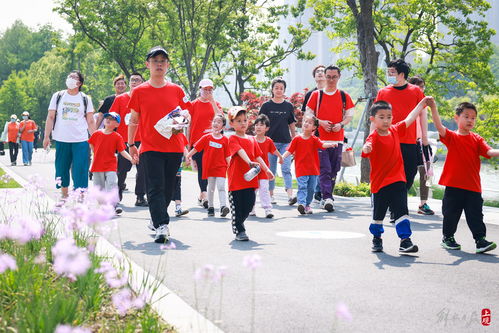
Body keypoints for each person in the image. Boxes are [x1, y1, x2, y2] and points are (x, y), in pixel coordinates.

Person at [127, 46, 191, 244]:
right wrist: (131, 144)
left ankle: (156, 219)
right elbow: (134, 120)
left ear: (168, 65)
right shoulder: (139, 92)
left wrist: (183, 128)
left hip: (174, 147)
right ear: (148, 65)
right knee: (155, 187)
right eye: (155, 61)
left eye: (163, 61)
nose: (159, 64)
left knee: (169, 190)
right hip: (150, 147)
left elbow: (186, 115)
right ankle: (162, 225)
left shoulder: (176, 90)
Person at [361, 97, 431, 253]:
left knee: (401, 209)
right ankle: (377, 238)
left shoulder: (395, 130)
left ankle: (405, 240)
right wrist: (366, 148)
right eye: (381, 117)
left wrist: (422, 103)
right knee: (378, 215)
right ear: (373, 119)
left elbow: (410, 118)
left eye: (389, 117)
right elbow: (367, 146)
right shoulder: (373, 136)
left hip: (398, 179)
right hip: (380, 184)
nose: (386, 121)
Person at [430, 101, 498, 253]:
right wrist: (433, 107)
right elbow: (439, 126)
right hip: (453, 185)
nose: (470, 120)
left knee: (476, 215)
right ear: (456, 118)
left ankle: (480, 241)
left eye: (473, 118)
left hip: (473, 186)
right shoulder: (452, 137)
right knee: (451, 214)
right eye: (466, 116)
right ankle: (448, 238)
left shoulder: (477, 139)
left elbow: (489, 152)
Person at [375, 59, 426, 220]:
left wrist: (424, 136)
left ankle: (394, 204)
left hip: (409, 141)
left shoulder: (416, 91)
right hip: (388, 140)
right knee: (391, 176)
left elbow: (422, 113)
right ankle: (396, 210)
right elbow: (375, 115)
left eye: (392, 72)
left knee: (409, 174)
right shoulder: (383, 92)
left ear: (401, 74)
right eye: (388, 72)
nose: (389, 75)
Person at [305, 65, 355, 212]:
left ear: (339, 77)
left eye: (334, 77)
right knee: (324, 168)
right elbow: (308, 114)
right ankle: (328, 198)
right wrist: (320, 122)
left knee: (334, 170)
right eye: (328, 77)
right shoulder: (317, 95)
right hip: (320, 139)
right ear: (325, 77)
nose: (331, 80)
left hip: (338, 139)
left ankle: (325, 195)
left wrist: (340, 124)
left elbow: (350, 115)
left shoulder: (344, 95)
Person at [43, 70, 96, 201]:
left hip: (81, 139)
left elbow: (90, 121)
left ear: (79, 83)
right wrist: (46, 136)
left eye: (74, 77)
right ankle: (64, 194)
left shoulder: (85, 98)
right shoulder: (58, 96)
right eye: (69, 76)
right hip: (62, 138)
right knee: (61, 168)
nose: (70, 78)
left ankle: (80, 196)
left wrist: (95, 140)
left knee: (81, 169)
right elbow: (50, 117)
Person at [227, 106, 274, 241]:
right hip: (236, 181)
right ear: (232, 123)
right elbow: (240, 151)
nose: (243, 123)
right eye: (238, 120)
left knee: (249, 205)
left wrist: (267, 170)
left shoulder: (252, 139)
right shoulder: (232, 138)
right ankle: (239, 230)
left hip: (250, 181)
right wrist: (249, 162)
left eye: (245, 120)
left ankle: (239, 222)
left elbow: (258, 156)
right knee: (237, 207)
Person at [282, 115, 337, 215]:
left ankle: (307, 205)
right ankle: (301, 204)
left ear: (314, 127)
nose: (306, 124)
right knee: (302, 186)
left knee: (311, 189)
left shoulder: (314, 139)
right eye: (305, 121)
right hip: (301, 169)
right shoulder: (297, 139)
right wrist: (282, 157)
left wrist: (331, 144)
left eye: (310, 123)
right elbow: (290, 150)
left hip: (313, 169)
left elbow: (322, 145)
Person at [109, 72, 148, 207]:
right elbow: (112, 118)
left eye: (137, 80)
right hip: (124, 140)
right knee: (122, 169)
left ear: (142, 83)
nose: (134, 82)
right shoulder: (120, 99)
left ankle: (140, 196)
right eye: (132, 80)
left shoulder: (145, 99)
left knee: (142, 170)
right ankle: (116, 195)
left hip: (141, 139)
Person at [259, 78, 297, 205]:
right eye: (276, 88)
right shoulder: (266, 106)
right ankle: (271, 195)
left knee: (286, 168)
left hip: (286, 142)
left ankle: (290, 196)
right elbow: (260, 123)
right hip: (270, 142)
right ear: (272, 89)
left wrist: (294, 140)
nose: (279, 90)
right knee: (271, 168)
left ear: (284, 90)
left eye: (281, 88)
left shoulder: (288, 106)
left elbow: (292, 124)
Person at [88, 112, 135, 214]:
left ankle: (114, 204)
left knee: (112, 184)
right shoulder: (97, 133)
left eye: (112, 119)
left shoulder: (117, 136)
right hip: (97, 166)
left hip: (111, 165)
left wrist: (131, 159)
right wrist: (95, 153)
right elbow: (91, 144)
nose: (108, 119)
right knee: (99, 189)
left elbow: (122, 151)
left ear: (117, 124)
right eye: (107, 118)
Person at [187, 78, 223, 209]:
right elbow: (189, 126)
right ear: (200, 90)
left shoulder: (216, 104)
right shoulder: (193, 105)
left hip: (213, 142)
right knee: (202, 170)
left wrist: (212, 101)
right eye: (205, 89)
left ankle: (202, 195)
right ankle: (205, 195)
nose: (207, 92)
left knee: (209, 171)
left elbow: (221, 119)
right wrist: (188, 144)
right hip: (198, 143)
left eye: (210, 89)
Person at [187, 114, 230, 217]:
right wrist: (188, 156)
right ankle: (210, 207)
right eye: (214, 121)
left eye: (219, 122)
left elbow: (228, 156)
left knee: (221, 187)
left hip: (221, 167)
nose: (215, 123)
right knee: (210, 188)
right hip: (209, 167)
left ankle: (223, 206)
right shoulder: (206, 137)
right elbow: (196, 148)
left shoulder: (225, 140)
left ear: (223, 126)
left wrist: (232, 166)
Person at [408, 75, 435, 215]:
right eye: (418, 86)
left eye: (422, 86)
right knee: (408, 173)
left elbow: (424, 123)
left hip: (421, 141)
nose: (421, 89)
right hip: (409, 142)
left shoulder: (424, 102)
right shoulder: (408, 101)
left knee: (427, 173)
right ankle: (396, 201)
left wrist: (425, 140)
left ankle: (423, 203)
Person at [301, 65, 327, 203]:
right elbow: (306, 114)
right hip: (314, 133)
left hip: (330, 133)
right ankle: (317, 192)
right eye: (317, 71)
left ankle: (323, 192)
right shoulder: (310, 94)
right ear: (314, 76)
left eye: (323, 71)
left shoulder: (333, 92)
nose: (320, 73)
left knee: (327, 164)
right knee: (315, 162)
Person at [252, 114, 283, 218]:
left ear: (267, 128)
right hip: (253, 170)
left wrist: (281, 157)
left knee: (264, 189)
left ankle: (268, 209)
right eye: (256, 124)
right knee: (252, 190)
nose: (258, 127)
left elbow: (274, 150)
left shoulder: (268, 140)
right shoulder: (251, 140)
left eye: (261, 125)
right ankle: (251, 209)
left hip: (265, 170)